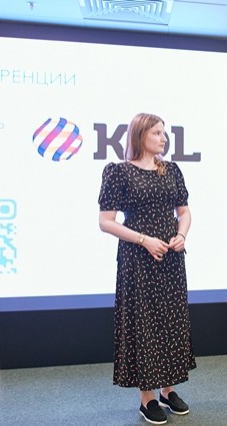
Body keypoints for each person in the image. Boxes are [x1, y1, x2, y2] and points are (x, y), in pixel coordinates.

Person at [98, 113, 196, 425]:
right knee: (144, 325)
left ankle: (168, 391)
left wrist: (181, 235)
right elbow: (105, 222)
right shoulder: (119, 172)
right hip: (138, 259)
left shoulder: (172, 170)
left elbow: (184, 212)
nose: (163, 138)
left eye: (164, 133)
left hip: (171, 258)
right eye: (156, 133)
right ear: (140, 135)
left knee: (171, 321)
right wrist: (144, 240)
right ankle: (147, 398)